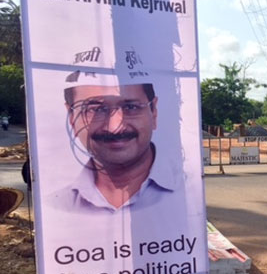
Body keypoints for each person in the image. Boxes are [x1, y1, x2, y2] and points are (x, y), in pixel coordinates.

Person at [48, 72, 181, 213]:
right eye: (95, 109)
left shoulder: (190, 194)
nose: (115, 128)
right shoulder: (54, 207)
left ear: (153, 112)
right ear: (72, 119)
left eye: (131, 107)